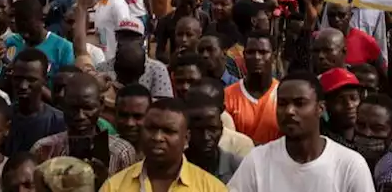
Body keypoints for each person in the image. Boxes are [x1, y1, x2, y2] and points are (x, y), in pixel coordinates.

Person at [227, 72, 374, 192]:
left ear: (320, 108)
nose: (289, 111)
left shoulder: (350, 165)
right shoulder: (257, 161)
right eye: (282, 104)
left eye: (300, 103)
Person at [101, 98, 227, 192]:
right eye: (151, 128)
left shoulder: (211, 188)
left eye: (168, 131)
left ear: (186, 139)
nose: (157, 137)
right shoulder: (114, 187)